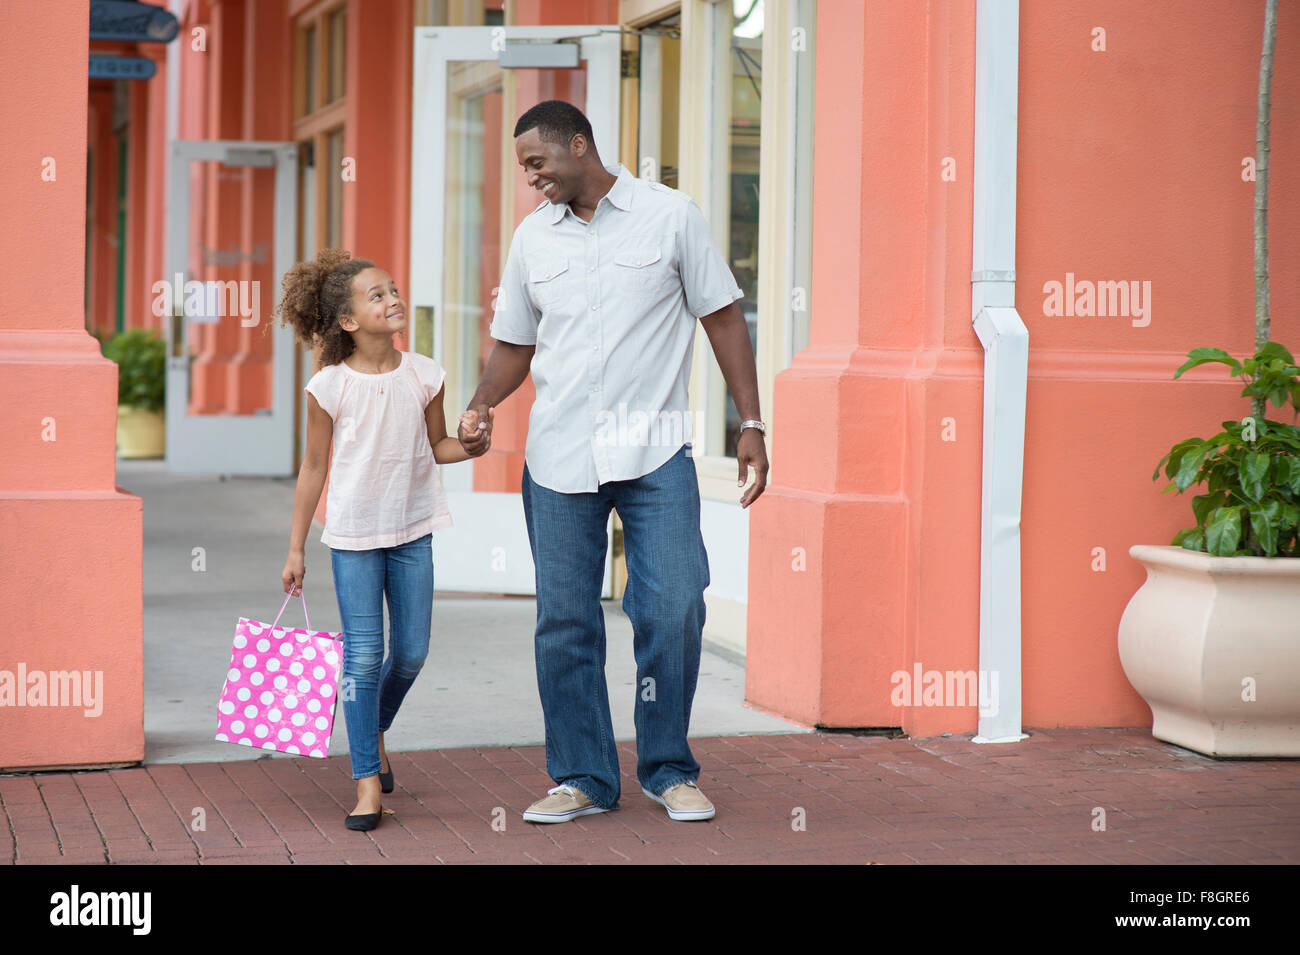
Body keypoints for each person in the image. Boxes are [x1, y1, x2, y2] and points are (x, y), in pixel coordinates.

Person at [458, 100, 769, 824]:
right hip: (559, 454)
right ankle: (582, 776)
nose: (532, 178)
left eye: (538, 161)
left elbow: (721, 314)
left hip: (654, 446)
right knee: (565, 622)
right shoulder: (533, 239)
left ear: (579, 144)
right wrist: (481, 401)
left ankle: (668, 768)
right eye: (524, 167)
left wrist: (749, 421)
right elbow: (515, 343)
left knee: (674, 604)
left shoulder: (670, 215)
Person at [275, 248, 473, 831]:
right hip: (354, 537)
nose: (393, 299)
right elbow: (314, 468)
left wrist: (473, 445)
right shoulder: (329, 386)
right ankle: (366, 780)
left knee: (410, 652)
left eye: (393, 289)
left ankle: (373, 727)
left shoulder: (425, 373)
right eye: (377, 295)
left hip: (414, 530)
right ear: (348, 322)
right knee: (362, 659)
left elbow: (440, 448)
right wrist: (294, 548)